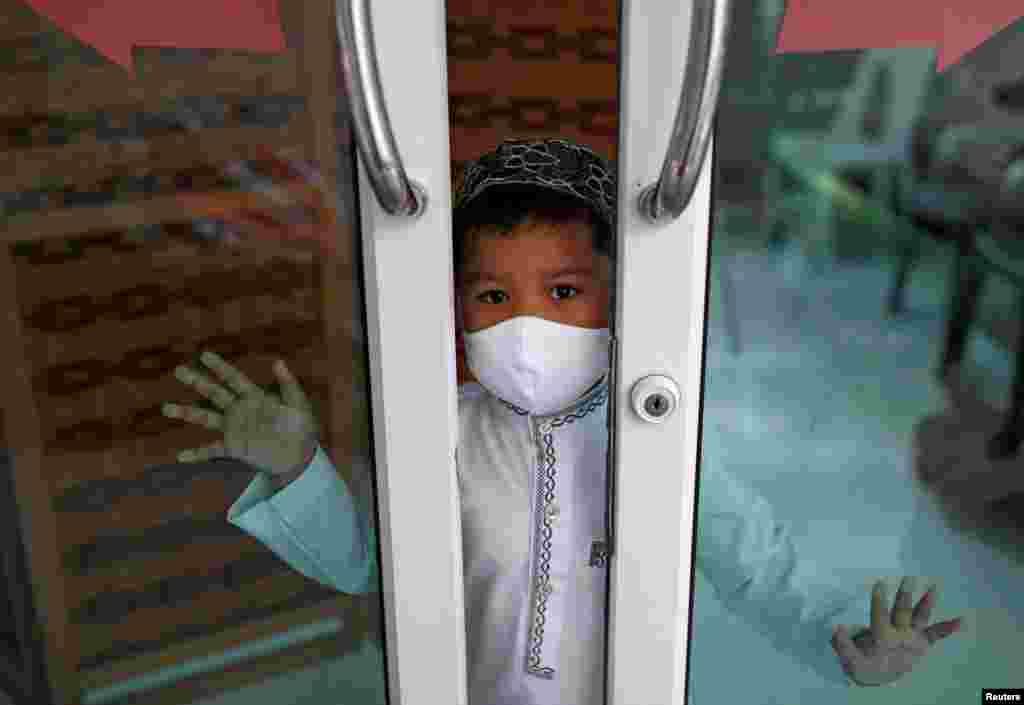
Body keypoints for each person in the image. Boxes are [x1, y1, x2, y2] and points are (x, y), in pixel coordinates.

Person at [162, 139, 962, 704]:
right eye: (495, 296)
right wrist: (301, 467)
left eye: (564, 293)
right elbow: (365, 564)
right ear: (459, 305)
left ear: (615, 294)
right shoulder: (436, 429)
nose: (526, 325)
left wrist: (845, 637)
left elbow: (756, 567)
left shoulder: (651, 434)